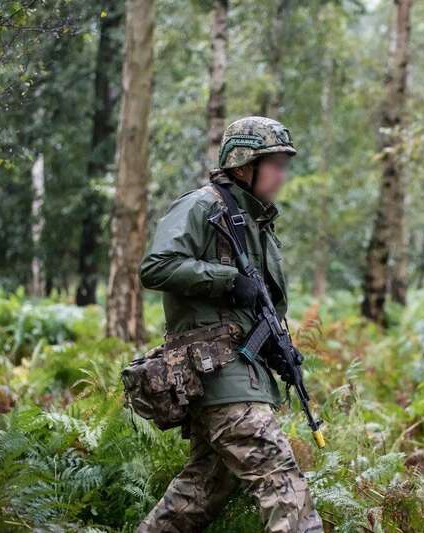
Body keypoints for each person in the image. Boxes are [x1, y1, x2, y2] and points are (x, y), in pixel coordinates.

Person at [138, 116, 323, 532]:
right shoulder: (203, 206)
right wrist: (227, 281)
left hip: (240, 372)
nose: (282, 174)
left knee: (200, 491)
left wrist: (279, 349)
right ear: (243, 166)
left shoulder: (256, 222)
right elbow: (156, 266)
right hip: (218, 372)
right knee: (282, 483)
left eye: (283, 164)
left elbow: (258, 302)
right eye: (274, 163)